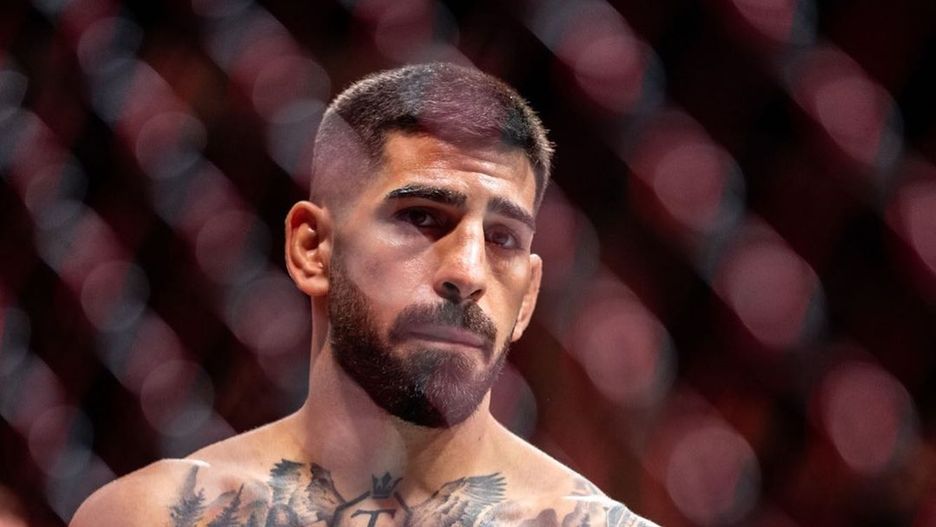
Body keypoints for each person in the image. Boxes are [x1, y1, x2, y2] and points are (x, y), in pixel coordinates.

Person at [71, 63, 657, 527]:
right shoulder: (157, 516)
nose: (467, 271)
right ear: (312, 247)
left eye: (502, 238)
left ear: (527, 297)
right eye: (421, 217)